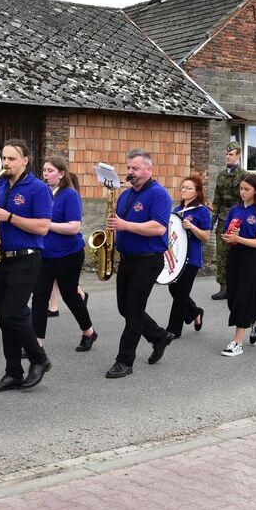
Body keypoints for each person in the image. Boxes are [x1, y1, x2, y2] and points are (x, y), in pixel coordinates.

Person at [0, 139, 53, 392]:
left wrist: (8, 216)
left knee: (13, 313)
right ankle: (13, 372)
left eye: (12, 159)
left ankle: (39, 358)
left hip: (27, 257)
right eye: (4, 158)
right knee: (4, 319)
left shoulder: (38, 188)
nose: (6, 163)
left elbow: (43, 227)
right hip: (0, 257)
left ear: (25, 160)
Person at [105, 148, 174, 379]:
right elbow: (120, 223)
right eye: (128, 168)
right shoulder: (125, 195)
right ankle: (158, 336)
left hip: (148, 260)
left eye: (134, 168)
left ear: (149, 169)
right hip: (128, 259)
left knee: (133, 312)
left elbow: (159, 227)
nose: (130, 172)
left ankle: (124, 361)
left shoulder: (159, 194)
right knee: (124, 308)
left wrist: (125, 226)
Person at [31, 156, 96, 351]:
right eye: (44, 170)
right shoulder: (44, 193)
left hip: (69, 253)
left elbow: (74, 227)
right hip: (45, 254)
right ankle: (37, 343)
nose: (46, 174)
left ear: (61, 173)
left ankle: (89, 332)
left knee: (70, 295)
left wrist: (46, 225)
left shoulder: (69, 194)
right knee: (40, 296)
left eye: (50, 171)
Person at [220, 174, 256, 356]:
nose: (242, 192)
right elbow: (227, 233)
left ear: (255, 190)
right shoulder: (235, 210)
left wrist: (238, 238)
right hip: (235, 255)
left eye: (246, 189)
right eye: (241, 189)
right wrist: (228, 237)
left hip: (252, 258)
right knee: (233, 296)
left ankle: (237, 342)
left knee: (243, 296)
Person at [165, 175, 211, 338]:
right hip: (177, 257)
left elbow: (206, 236)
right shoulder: (177, 210)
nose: (184, 190)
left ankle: (173, 330)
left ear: (197, 192)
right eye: (182, 187)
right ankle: (195, 313)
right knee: (174, 289)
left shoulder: (202, 211)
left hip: (192, 258)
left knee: (182, 293)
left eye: (188, 188)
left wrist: (192, 227)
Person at [211, 142, 248, 300]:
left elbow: (248, 198)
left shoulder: (244, 175)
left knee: (238, 253)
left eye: (231, 154)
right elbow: (217, 197)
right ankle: (224, 287)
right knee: (221, 254)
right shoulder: (221, 175)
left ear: (238, 156)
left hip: (238, 218)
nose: (228, 156)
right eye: (227, 154)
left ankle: (240, 285)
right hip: (222, 219)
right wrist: (214, 216)